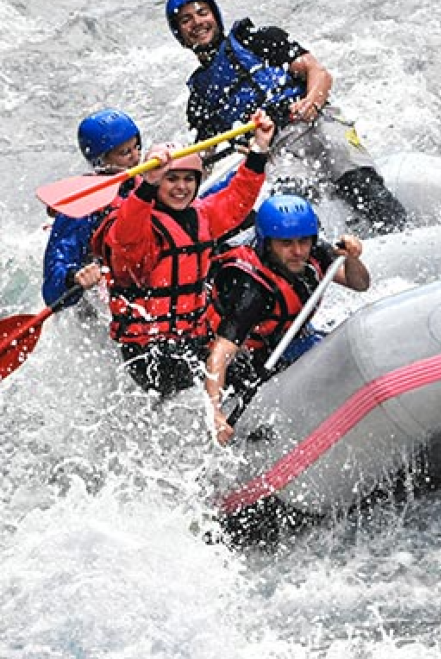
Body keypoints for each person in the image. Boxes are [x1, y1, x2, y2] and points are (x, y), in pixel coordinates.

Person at [164, 0, 407, 235]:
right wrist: (169, 176)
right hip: (277, 150)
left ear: (215, 15)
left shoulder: (259, 40)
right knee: (294, 206)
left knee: (356, 177)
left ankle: (400, 230)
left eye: (202, 13)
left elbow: (319, 73)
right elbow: (204, 156)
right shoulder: (201, 96)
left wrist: (310, 102)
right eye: (186, 20)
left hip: (317, 122)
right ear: (179, 33)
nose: (197, 22)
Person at [92, 110, 276, 399]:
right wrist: (148, 185)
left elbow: (236, 199)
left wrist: (259, 151)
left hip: (192, 338)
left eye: (188, 179)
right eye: (171, 179)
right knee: (201, 386)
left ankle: (240, 431)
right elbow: (126, 239)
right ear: (155, 183)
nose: (181, 187)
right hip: (147, 351)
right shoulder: (139, 222)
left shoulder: (201, 215)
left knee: (248, 373)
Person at [205, 193, 370, 445]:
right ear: (267, 244)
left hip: (287, 339)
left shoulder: (314, 253)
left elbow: (359, 284)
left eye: (303, 241)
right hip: (247, 359)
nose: (297, 251)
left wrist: (353, 259)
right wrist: (215, 413)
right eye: (286, 244)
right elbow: (220, 353)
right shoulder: (251, 290)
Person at [42, 108, 142, 309]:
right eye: (125, 153)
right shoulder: (82, 208)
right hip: (95, 300)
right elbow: (52, 287)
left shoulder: (147, 187)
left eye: (137, 147)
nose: (135, 157)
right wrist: (73, 278)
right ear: (101, 161)